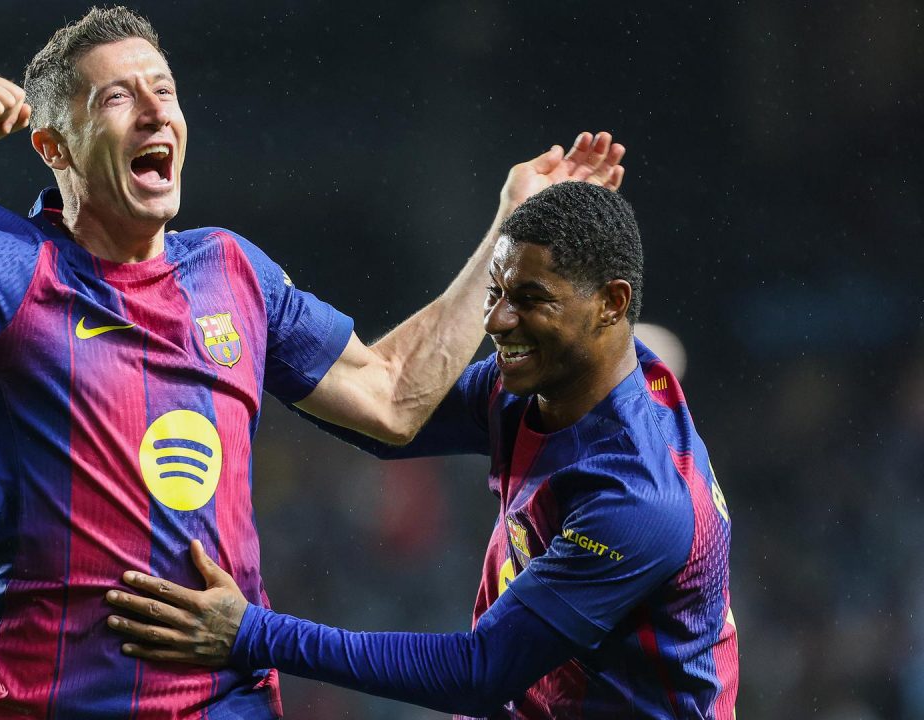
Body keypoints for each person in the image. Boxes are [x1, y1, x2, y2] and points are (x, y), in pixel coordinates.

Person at [0, 6, 626, 718]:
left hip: (228, 702)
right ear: (54, 148)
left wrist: (510, 228)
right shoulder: (9, 262)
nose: (155, 113)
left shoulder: (231, 271)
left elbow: (393, 396)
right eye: (117, 97)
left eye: (164, 90)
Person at [104, 181, 737, 718]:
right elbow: (383, 411)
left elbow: (480, 671)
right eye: (497, 293)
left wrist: (252, 633)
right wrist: (246, 337)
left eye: (530, 300)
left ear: (612, 304)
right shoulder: (543, 387)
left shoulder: (639, 500)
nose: (496, 322)